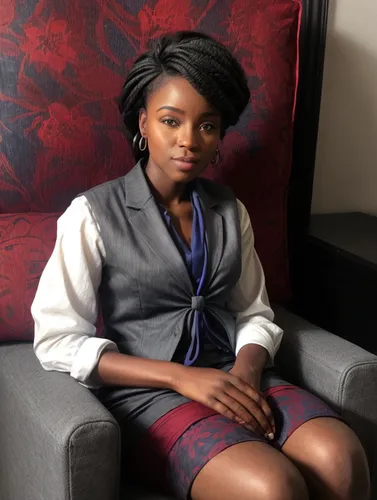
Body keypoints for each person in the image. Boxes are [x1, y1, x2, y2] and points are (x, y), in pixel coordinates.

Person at [32, 32, 370, 500]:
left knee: (342, 459)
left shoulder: (231, 210)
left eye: (207, 126)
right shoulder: (91, 214)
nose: (188, 140)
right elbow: (56, 341)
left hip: (237, 376)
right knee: (273, 488)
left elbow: (254, 313)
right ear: (143, 123)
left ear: (220, 136)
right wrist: (180, 376)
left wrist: (246, 372)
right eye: (171, 121)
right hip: (149, 397)